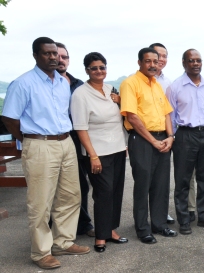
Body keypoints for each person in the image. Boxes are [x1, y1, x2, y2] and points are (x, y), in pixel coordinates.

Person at [2, 37, 90, 270]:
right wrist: (28, 140)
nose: (54, 58)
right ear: (36, 56)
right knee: (40, 201)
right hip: (40, 144)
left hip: (65, 142)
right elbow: (10, 118)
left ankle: (63, 242)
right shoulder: (23, 83)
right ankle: (41, 252)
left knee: (70, 195)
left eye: (57, 54)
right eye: (47, 54)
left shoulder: (62, 82)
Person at [70, 52, 128, 252]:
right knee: (103, 193)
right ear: (87, 70)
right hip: (97, 152)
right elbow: (80, 128)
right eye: (94, 68)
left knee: (116, 191)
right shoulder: (80, 94)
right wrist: (92, 155)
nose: (99, 71)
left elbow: (121, 118)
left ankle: (111, 230)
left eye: (102, 67)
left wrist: (120, 101)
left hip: (118, 148)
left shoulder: (110, 89)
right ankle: (100, 237)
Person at [120, 47, 177, 243]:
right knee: (143, 185)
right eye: (148, 61)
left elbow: (166, 113)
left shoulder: (157, 85)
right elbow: (132, 116)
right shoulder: (130, 83)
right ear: (139, 62)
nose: (153, 65)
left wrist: (170, 137)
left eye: (156, 60)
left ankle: (159, 224)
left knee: (161, 185)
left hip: (163, 139)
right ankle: (143, 228)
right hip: (143, 140)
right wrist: (153, 141)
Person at [166, 49, 204, 235]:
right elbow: (171, 115)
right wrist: (172, 136)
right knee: (182, 179)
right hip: (185, 136)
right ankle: (184, 219)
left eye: (198, 60)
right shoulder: (175, 87)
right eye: (191, 60)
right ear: (184, 63)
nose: (196, 63)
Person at [55, 42, 94, 237]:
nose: (60, 60)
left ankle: (83, 224)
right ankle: (57, 227)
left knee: (81, 186)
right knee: (59, 189)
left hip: (81, 143)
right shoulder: (49, 84)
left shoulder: (79, 84)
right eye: (57, 56)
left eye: (65, 57)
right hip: (58, 142)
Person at [148, 42, 180, 224]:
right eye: (158, 55)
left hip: (167, 134)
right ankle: (146, 216)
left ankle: (161, 213)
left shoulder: (168, 82)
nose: (161, 60)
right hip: (148, 135)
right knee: (147, 180)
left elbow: (170, 111)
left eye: (164, 56)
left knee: (163, 179)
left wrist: (171, 135)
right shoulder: (137, 81)